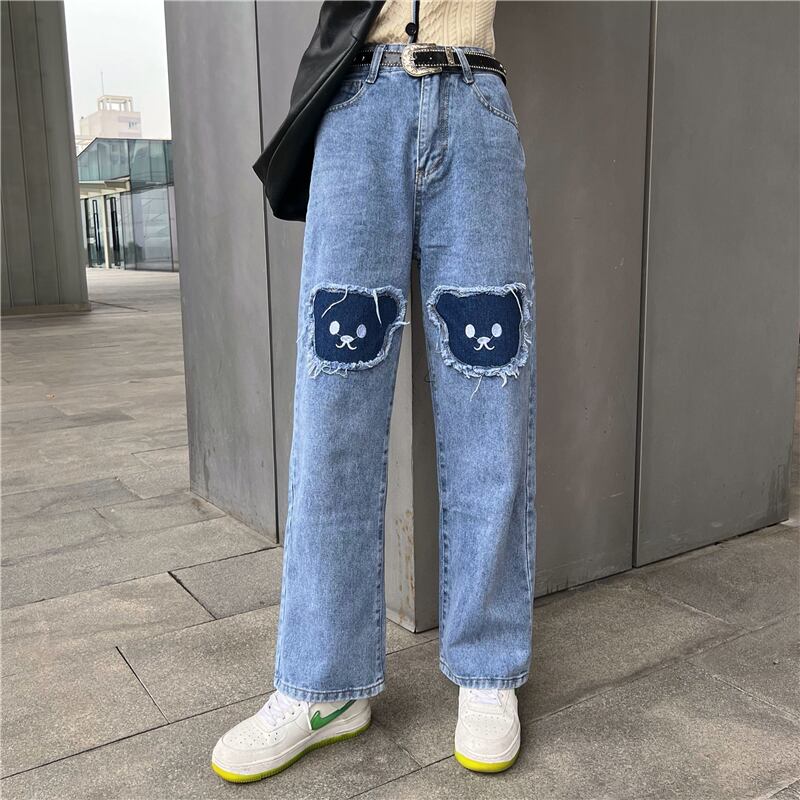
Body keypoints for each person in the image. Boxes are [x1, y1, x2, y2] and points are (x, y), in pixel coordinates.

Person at [211, 0, 536, 782]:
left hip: (476, 97)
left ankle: (488, 670)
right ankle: (322, 685)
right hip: (358, 103)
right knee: (335, 402)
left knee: (490, 394)